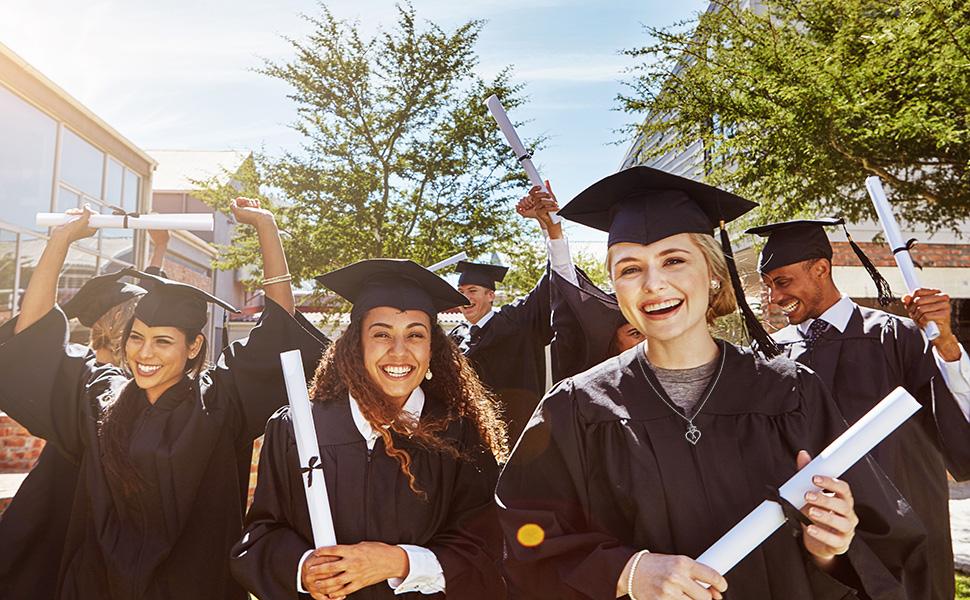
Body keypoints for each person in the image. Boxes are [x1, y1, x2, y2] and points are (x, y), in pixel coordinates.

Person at [496, 166, 929, 600]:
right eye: (630, 269)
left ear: (713, 272)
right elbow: (525, 540)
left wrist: (830, 549)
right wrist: (626, 572)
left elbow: (884, 540)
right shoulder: (578, 408)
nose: (653, 284)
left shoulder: (790, 392)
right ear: (615, 287)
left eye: (674, 260)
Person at [0, 198, 328, 599]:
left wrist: (265, 229)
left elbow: (278, 326)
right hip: (97, 586)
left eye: (163, 341)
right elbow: (34, 340)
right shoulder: (100, 397)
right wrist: (59, 242)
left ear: (194, 347)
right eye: (136, 338)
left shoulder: (220, 404)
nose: (145, 353)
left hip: (193, 588)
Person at [231, 258, 507, 600]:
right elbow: (260, 537)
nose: (399, 352)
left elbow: (485, 551)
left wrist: (399, 562)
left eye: (415, 335)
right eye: (381, 334)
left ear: (432, 348)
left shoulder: (460, 435)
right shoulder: (299, 429)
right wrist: (303, 568)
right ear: (355, 344)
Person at [748, 216, 970, 600]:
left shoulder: (896, 336)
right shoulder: (770, 358)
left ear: (821, 269)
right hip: (818, 546)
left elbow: (957, 424)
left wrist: (947, 346)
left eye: (781, 281)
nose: (774, 298)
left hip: (903, 539)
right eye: (768, 285)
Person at [0, 229, 168, 600]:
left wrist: (160, 249)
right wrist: (59, 242)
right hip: (71, 505)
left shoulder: (131, 377)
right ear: (125, 326)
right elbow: (33, 329)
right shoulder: (87, 377)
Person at [516, 183, 643, 382]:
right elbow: (568, 289)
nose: (647, 342)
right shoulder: (598, 392)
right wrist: (552, 230)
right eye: (635, 333)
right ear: (609, 341)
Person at [448, 254, 553, 446]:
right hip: (466, 437)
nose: (465, 297)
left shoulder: (514, 323)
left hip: (512, 435)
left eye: (473, 290)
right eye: (461, 291)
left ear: (490, 295)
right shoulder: (456, 336)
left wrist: (553, 239)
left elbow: (546, 288)